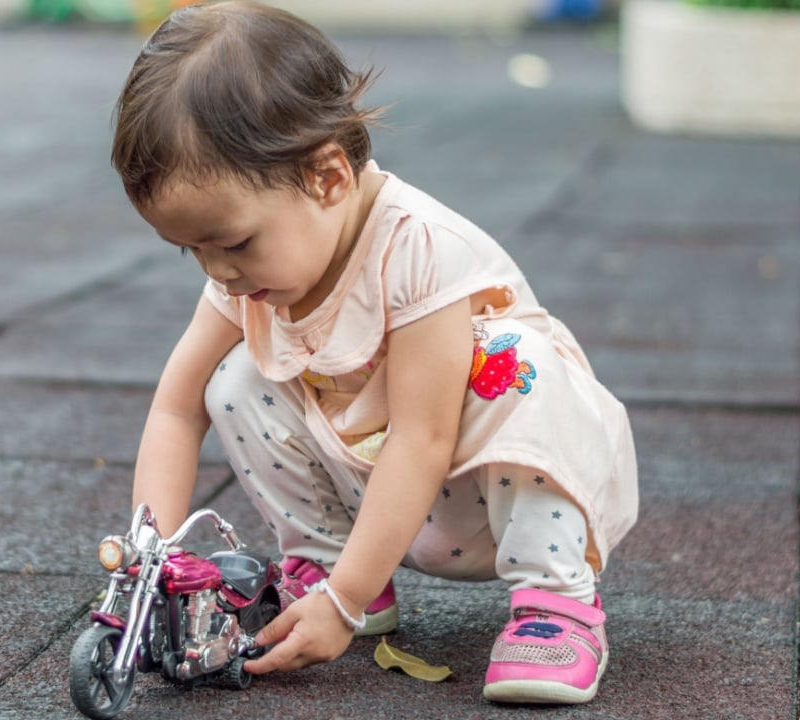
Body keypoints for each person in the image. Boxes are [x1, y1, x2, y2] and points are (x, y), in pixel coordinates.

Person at [111, 0, 637, 705]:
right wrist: (153, 564)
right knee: (232, 378)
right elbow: (176, 409)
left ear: (327, 178)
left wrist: (342, 606)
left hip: (493, 485)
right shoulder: (251, 278)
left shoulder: (418, 250)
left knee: (513, 359)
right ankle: (327, 561)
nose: (217, 272)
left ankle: (556, 605)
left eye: (233, 243)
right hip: (383, 486)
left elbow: (424, 438)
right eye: (191, 250)